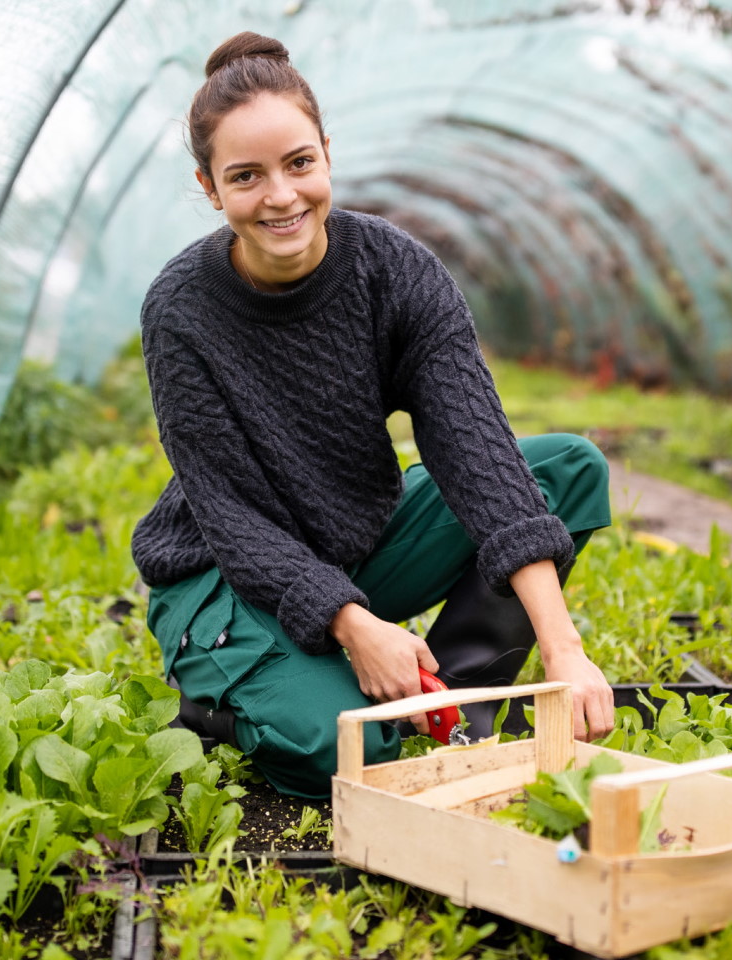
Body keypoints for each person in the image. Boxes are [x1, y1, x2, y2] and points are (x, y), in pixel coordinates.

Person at [129, 32, 616, 799]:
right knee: (352, 752)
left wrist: (563, 649)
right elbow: (231, 517)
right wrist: (355, 626)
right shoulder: (181, 309)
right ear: (210, 187)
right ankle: (231, 696)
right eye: (246, 177)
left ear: (325, 151)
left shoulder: (395, 271)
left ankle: (457, 699)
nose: (282, 196)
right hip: (224, 577)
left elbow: (476, 453)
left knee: (568, 470)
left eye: (298, 164)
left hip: (351, 542)